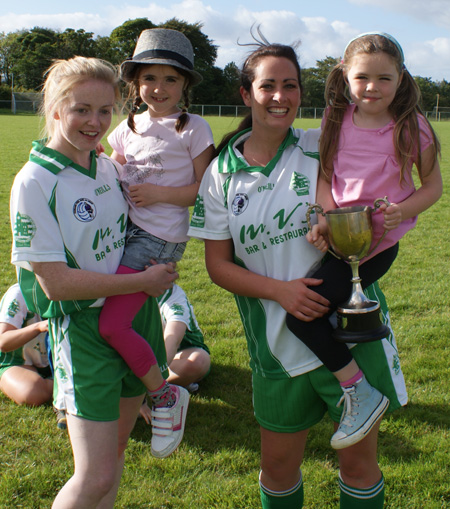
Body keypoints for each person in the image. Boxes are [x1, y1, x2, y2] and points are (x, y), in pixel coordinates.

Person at [188, 30, 408, 508]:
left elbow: (386, 192)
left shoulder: (323, 147)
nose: (280, 97)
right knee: (279, 467)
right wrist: (280, 291)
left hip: (348, 333)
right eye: (268, 86)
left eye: (290, 86)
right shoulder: (220, 175)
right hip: (276, 344)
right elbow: (218, 267)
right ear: (246, 94)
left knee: (359, 463)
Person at [10, 56, 184, 507]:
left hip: (133, 317)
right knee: (94, 476)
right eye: (81, 110)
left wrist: (155, 271)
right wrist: (145, 280)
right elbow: (57, 285)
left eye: (104, 110)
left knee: (116, 459)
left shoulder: (105, 166)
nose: (95, 122)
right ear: (55, 109)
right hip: (85, 332)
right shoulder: (35, 182)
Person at [285, 32, 442, 449]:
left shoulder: (412, 126)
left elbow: (432, 187)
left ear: (401, 77)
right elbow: (325, 177)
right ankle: (368, 374)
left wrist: (402, 211)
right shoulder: (335, 119)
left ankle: (361, 392)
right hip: (337, 236)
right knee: (326, 313)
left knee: (300, 316)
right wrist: (322, 217)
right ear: (344, 75)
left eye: (384, 78)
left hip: (379, 245)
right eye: (362, 77)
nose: (372, 87)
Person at [98, 28, 214, 408]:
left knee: (112, 324)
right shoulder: (128, 126)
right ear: (135, 82)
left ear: (184, 85)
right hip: (125, 232)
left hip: (158, 239)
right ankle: (124, 390)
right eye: (149, 77)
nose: (158, 88)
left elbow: (205, 189)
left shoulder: (193, 128)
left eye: (170, 79)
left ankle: (159, 392)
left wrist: (158, 194)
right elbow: (112, 173)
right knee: (130, 314)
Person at [140, 283, 211, 423]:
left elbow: (171, 340)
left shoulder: (173, 294)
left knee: (198, 361)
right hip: (140, 358)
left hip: (175, 357)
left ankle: (146, 389)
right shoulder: (128, 291)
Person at [0, 283, 52, 406]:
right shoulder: (19, 293)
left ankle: (56, 383)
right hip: (17, 362)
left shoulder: (68, 290)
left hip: (54, 361)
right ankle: (62, 386)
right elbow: (3, 341)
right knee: (32, 394)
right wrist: (38, 327)